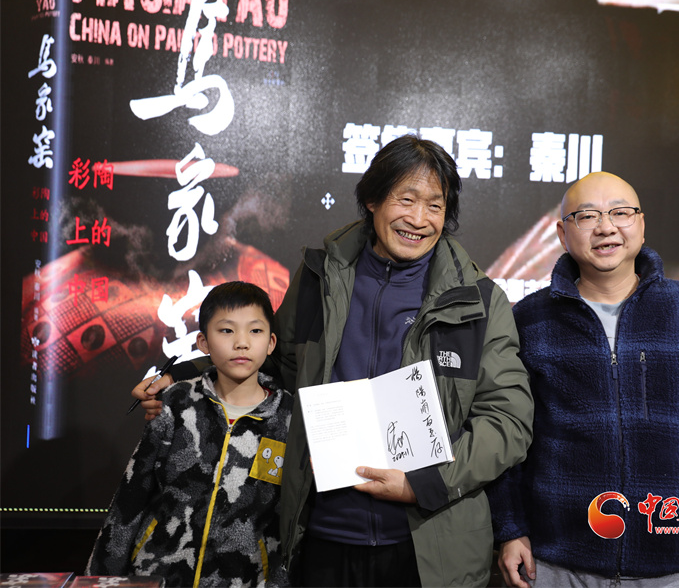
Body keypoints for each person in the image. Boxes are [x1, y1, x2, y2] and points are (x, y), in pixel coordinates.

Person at [131, 134, 534, 587]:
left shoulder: (478, 301)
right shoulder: (318, 278)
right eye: (406, 200)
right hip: (320, 536)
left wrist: (423, 483)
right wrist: (185, 378)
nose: (419, 219)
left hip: (431, 548)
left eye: (435, 206)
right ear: (372, 200)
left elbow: (508, 422)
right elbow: (275, 366)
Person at [487, 172, 679, 588]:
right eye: (587, 216)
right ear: (562, 233)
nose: (606, 227)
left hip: (676, 562)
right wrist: (509, 530)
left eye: (620, 212)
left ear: (641, 224)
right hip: (556, 561)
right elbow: (505, 436)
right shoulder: (529, 319)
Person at [89, 281, 292, 587]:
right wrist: (99, 580)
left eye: (255, 330)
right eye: (227, 330)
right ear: (203, 342)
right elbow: (131, 497)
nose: (241, 342)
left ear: (271, 342)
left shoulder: (287, 417)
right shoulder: (177, 402)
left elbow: (288, 521)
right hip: (159, 575)